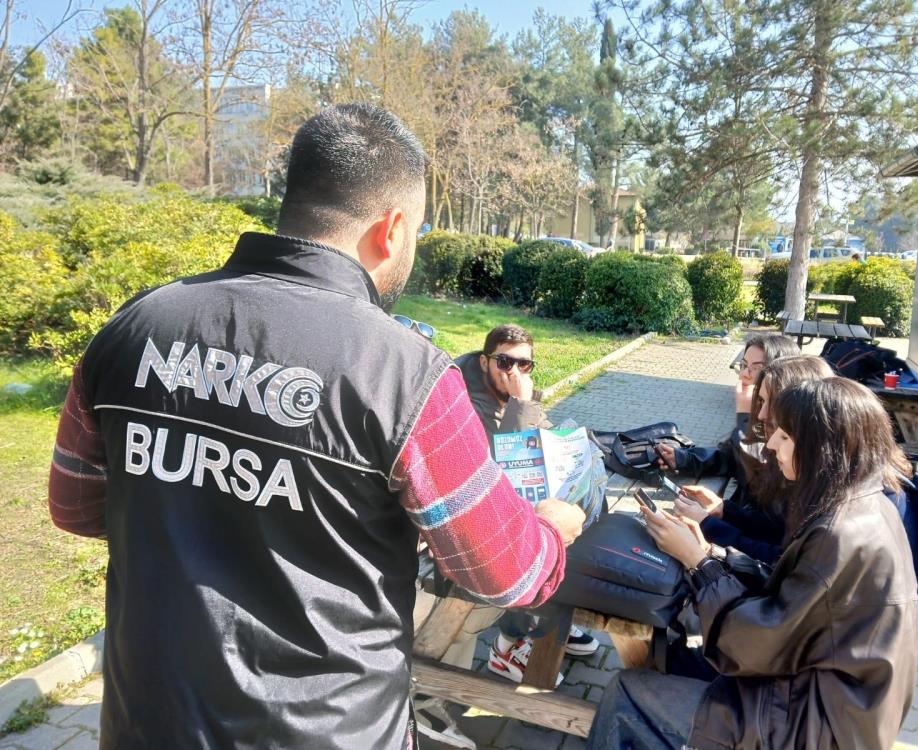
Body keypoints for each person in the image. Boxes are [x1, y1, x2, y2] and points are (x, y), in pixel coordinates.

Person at [47, 103, 585, 749]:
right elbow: (505, 572)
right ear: (392, 229)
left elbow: (76, 506)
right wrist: (551, 530)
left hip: (146, 724)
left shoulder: (133, 329)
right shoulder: (406, 374)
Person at [587, 378, 918, 749]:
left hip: (815, 724)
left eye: (786, 436)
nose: (772, 443)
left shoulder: (839, 533)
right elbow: (791, 592)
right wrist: (714, 554)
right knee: (677, 655)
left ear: (823, 448)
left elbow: (755, 645)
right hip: (841, 704)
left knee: (626, 691)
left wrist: (699, 563)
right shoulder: (863, 505)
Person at [454, 324, 599, 684]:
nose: (515, 373)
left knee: (585, 505)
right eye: (505, 362)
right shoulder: (467, 398)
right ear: (486, 362)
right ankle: (508, 644)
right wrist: (522, 403)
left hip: (502, 501)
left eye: (524, 365)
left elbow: (541, 433)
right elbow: (509, 465)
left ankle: (553, 617)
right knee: (544, 535)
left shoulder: (509, 390)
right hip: (473, 514)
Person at [673, 355, 834, 566]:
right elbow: (776, 528)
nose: (761, 414)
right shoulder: (807, 471)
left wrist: (706, 543)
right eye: (761, 401)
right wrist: (725, 511)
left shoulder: (827, 502)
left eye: (770, 402)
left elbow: (778, 562)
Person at [655, 334, 799, 503]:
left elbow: (758, 481)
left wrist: (745, 417)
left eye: (756, 368)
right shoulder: (762, 416)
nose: (744, 374)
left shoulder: (791, 429)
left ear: (781, 373)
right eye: (744, 365)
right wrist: (683, 459)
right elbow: (730, 457)